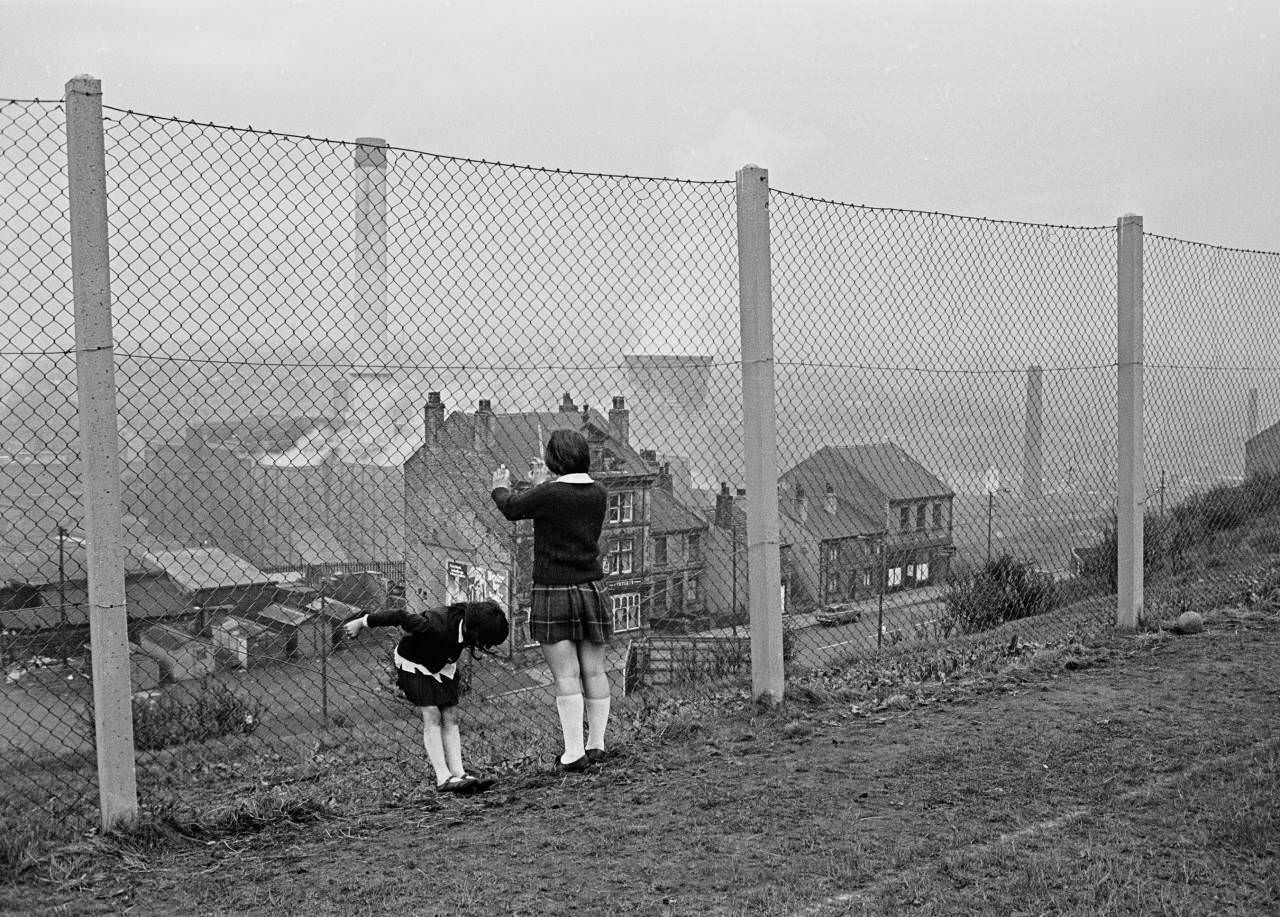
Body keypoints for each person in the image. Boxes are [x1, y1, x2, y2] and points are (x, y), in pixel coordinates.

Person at [490, 428, 612, 771]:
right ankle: (597, 745)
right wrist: (544, 484)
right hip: (591, 588)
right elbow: (560, 498)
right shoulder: (599, 492)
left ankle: (573, 753)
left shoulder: (549, 494)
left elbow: (512, 508)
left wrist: (500, 485)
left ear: (552, 460)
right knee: (595, 670)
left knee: (566, 676)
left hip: (554, 589)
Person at [342, 598, 509, 793]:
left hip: (443, 662)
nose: (482, 645)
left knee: (451, 715)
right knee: (432, 713)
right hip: (414, 661)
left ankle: (458, 772)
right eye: (483, 640)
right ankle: (443, 778)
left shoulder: (468, 623)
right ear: (474, 629)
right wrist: (361, 622)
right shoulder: (433, 625)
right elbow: (399, 616)